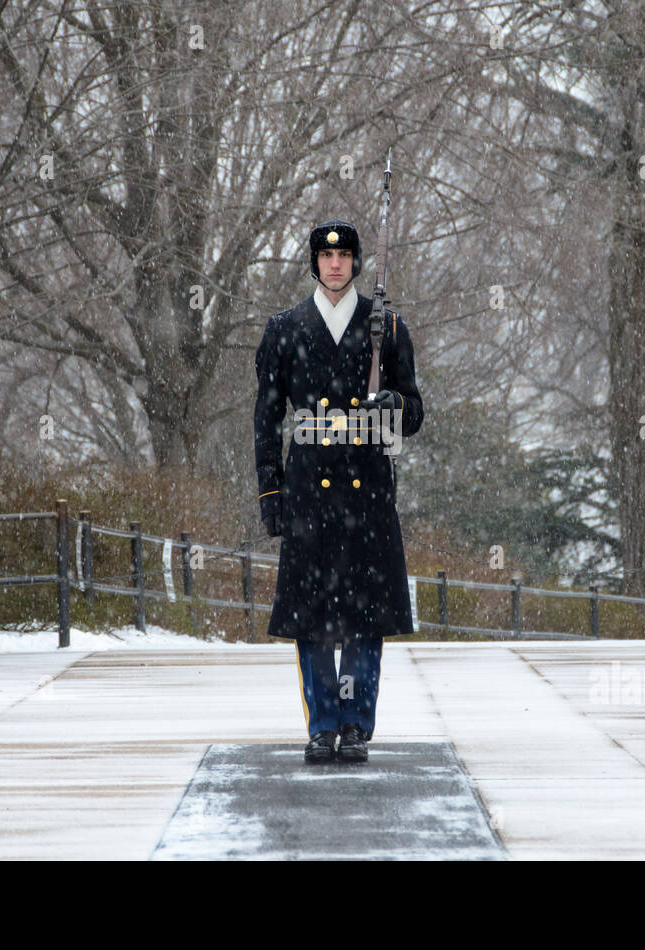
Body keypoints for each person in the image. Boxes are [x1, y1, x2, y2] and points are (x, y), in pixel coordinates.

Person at [253, 219, 424, 764]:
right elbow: (265, 420)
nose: (335, 264)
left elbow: (415, 410)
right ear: (314, 263)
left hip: (366, 492)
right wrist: (270, 494)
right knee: (312, 616)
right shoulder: (284, 329)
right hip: (308, 493)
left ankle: (355, 724)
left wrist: (392, 406)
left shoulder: (387, 329)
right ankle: (322, 722)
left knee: (363, 615)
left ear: (355, 263)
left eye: (345, 255)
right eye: (326, 256)